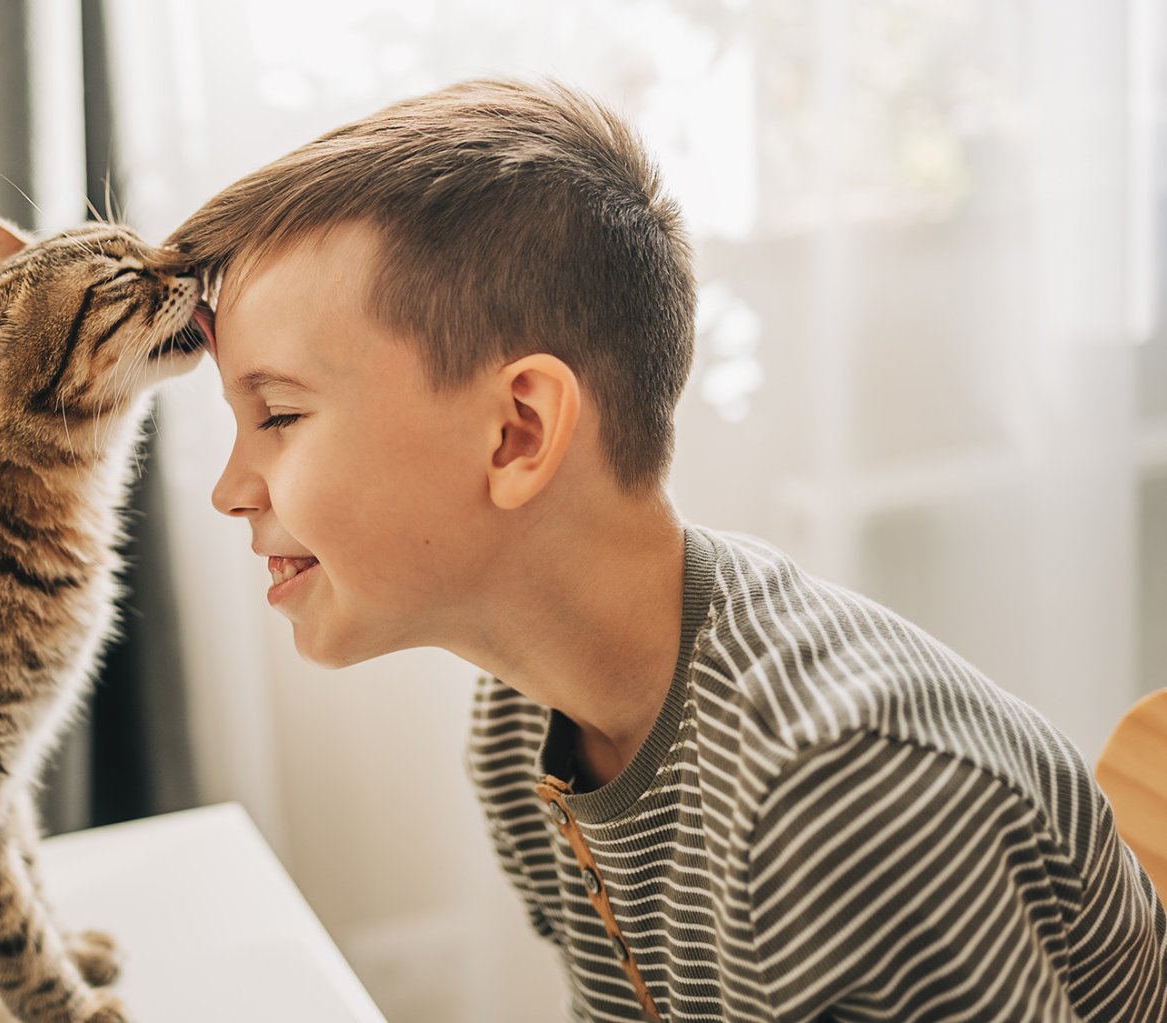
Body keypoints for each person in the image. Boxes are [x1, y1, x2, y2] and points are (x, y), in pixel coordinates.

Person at [167, 77, 1167, 1022]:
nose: (229, 490)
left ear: (518, 432)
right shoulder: (524, 725)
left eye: (280, 414)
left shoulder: (839, 784)